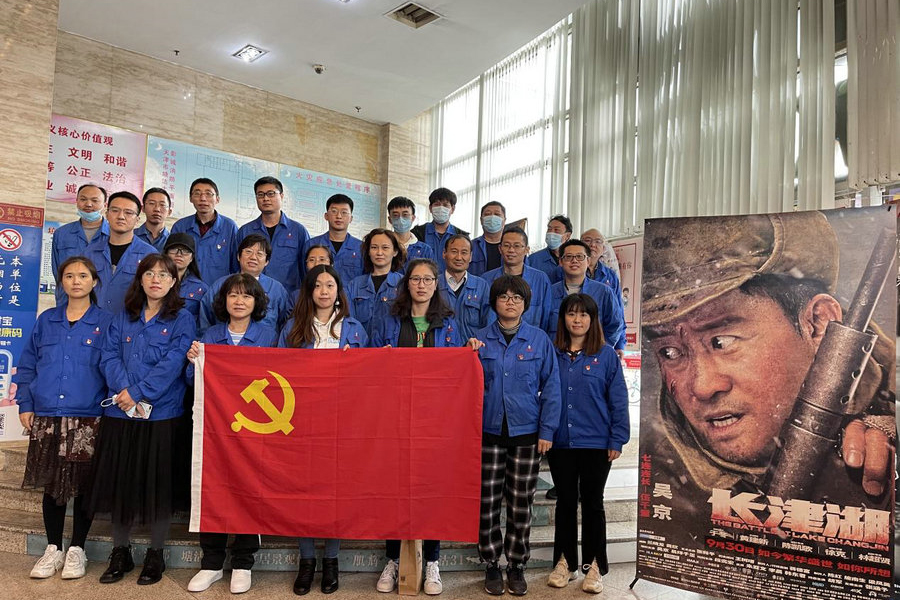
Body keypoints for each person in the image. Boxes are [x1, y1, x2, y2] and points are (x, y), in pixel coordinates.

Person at [641, 212, 895, 523]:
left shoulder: (888, 407)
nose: (702, 386)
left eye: (722, 341)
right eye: (669, 352)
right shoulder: (661, 469)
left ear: (819, 325)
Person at [90, 254, 196, 585]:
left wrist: (138, 392)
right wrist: (125, 392)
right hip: (120, 412)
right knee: (121, 484)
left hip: (162, 414)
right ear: (140, 279)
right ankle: (120, 552)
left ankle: (155, 554)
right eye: (149, 273)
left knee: (158, 487)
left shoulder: (182, 318)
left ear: (174, 281)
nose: (155, 280)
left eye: (163, 275)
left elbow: (174, 362)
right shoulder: (124, 316)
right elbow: (108, 355)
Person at [15, 257, 112, 580]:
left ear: (94, 282)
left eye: (83, 275)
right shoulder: (47, 320)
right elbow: (28, 364)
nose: (75, 281)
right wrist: (25, 403)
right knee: (51, 485)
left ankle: (77, 549)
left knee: (83, 486)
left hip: (87, 417)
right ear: (62, 282)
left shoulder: (105, 322)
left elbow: (111, 367)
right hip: (47, 414)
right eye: (69, 276)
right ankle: (53, 548)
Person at [372, 258, 463, 596]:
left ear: (436, 284)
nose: (421, 285)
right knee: (394, 489)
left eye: (427, 279)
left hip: (436, 419)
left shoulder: (449, 322)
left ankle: (432, 561)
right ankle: (393, 559)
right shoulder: (390, 319)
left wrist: (469, 352)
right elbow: (370, 363)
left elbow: (459, 366)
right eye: (415, 279)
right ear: (406, 283)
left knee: (432, 489)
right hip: (394, 416)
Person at [468, 275, 561, 596]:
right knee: (488, 502)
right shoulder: (479, 340)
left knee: (521, 503)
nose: (510, 302)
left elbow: (552, 387)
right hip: (488, 433)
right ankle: (491, 563)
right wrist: (467, 354)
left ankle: (517, 564)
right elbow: (465, 387)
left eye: (517, 298)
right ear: (493, 302)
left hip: (527, 433)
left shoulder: (539, 340)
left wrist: (547, 430)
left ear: (525, 304)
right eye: (504, 297)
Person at [185, 274, 276, 594]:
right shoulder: (210, 335)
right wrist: (193, 361)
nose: (239, 301)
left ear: (256, 302)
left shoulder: (268, 336)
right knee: (214, 489)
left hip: (255, 430)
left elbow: (280, 381)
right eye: (233, 295)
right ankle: (211, 563)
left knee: (250, 492)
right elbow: (192, 381)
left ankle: (243, 562)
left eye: (246, 296)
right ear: (223, 301)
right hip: (216, 429)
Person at [278, 265, 366, 596]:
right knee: (304, 490)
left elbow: (370, 377)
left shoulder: (354, 328)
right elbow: (277, 371)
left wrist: (358, 363)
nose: (324, 291)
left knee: (336, 492)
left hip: (343, 421)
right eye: (318, 285)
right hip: (302, 421)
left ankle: (331, 560)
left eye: (330, 285)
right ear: (309, 291)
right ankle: (307, 560)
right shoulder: (293, 327)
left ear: (338, 291)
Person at [546, 294, 628, 594]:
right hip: (560, 442)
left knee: (593, 504)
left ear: (593, 320)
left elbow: (618, 400)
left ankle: (595, 566)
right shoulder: (552, 353)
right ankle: (565, 562)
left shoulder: (606, 356)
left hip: (597, 443)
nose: (577, 320)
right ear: (563, 319)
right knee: (566, 503)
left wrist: (617, 438)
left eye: (583, 315)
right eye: (571, 314)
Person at [546, 240, 625, 356]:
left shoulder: (604, 292)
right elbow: (541, 327)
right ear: (561, 262)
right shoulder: (548, 293)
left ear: (588, 261)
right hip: (557, 357)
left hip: (592, 357)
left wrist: (601, 349)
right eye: (568, 257)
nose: (574, 261)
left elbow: (615, 325)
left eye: (580, 256)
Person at [201, 234, 290, 335]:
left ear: (267, 261)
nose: (253, 257)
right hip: (223, 342)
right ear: (238, 256)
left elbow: (285, 324)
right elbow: (205, 320)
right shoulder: (220, 285)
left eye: (259, 254)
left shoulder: (277, 289)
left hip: (265, 344)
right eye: (248, 252)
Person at [83, 191, 156, 314]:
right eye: (115, 210)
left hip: (131, 321)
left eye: (128, 212)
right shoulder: (90, 252)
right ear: (107, 214)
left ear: (137, 219)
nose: (121, 216)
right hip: (94, 321)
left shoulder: (149, 255)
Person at [238, 176, 310, 293]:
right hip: (251, 296)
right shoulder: (245, 231)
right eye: (260, 195)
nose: (265, 198)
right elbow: (237, 267)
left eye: (271, 194)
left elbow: (305, 268)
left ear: (281, 196)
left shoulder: (298, 231)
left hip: (288, 297)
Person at [170, 177, 239, 284]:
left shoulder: (230, 227)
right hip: (185, 289)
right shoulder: (180, 227)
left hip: (219, 290)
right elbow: (171, 263)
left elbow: (236, 266)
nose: (203, 198)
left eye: (208, 194)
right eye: (197, 193)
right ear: (190, 198)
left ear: (217, 199)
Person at [481, 227, 551, 331]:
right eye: (506, 245)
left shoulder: (540, 279)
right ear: (500, 249)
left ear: (526, 250)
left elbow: (546, 318)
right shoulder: (486, 280)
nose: (511, 250)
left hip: (530, 339)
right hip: (492, 338)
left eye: (517, 246)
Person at [51, 184, 109, 301]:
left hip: (103, 302)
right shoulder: (61, 234)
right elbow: (57, 271)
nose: (88, 204)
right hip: (68, 301)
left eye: (94, 200)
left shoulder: (115, 235)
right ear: (76, 201)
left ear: (105, 205)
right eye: (83, 199)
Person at [348, 228, 405, 336]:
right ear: (368, 252)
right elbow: (349, 322)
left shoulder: (403, 284)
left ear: (395, 251)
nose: (379, 253)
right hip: (360, 344)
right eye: (374, 247)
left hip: (392, 345)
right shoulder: (355, 285)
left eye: (385, 248)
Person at [302, 193, 363, 286]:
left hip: (351, 295)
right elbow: (303, 275)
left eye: (344, 212)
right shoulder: (311, 244)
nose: (339, 216)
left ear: (351, 218)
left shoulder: (361, 248)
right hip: (319, 294)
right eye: (334, 211)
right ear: (326, 216)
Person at [438, 234, 491, 341]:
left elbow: (488, 324)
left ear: (470, 257)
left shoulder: (481, 286)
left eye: (464, 253)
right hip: (441, 348)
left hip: (472, 348)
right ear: (444, 254)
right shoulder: (434, 284)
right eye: (454, 251)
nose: (459, 257)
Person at [410, 188, 469, 272]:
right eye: (437, 204)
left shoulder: (462, 236)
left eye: (445, 205)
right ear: (430, 208)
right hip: (424, 278)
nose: (441, 208)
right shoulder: (417, 232)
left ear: (452, 209)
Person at [163, 233, 208, 326]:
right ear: (165, 254)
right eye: (174, 250)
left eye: (185, 251)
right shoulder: (154, 282)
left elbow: (204, 323)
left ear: (192, 258)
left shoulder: (201, 288)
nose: (179, 254)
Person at [387, 195, 434, 270]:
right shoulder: (384, 246)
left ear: (413, 218)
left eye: (405, 215)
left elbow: (430, 273)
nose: (400, 219)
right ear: (390, 219)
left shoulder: (425, 249)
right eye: (395, 215)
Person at [526, 215, 573, 284]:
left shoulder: (574, 259)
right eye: (549, 229)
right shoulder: (533, 259)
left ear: (567, 236)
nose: (551, 233)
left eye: (556, 230)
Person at [469, 201, 505, 277]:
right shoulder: (470, 246)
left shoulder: (512, 248)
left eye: (497, 214)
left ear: (504, 220)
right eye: (487, 214)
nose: (492, 217)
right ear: (481, 220)